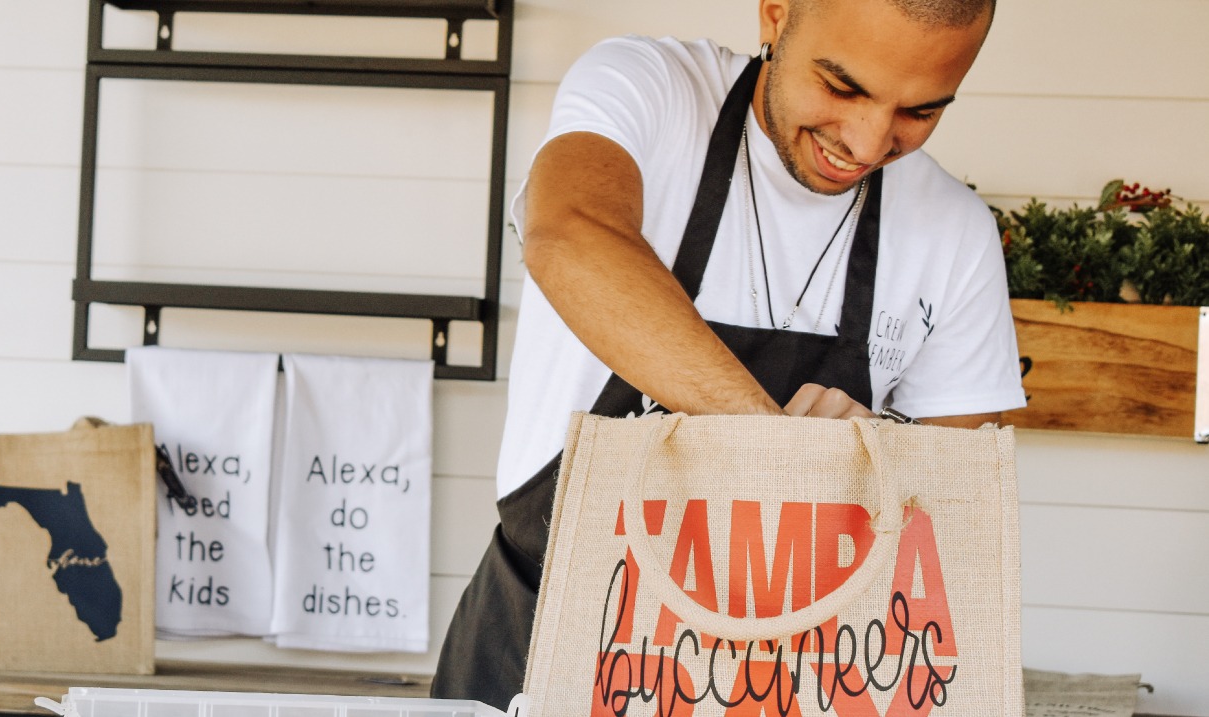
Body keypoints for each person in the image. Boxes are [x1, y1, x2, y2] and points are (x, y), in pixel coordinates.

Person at [431, 0, 1026, 708]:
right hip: (544, 630)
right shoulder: (650, 90)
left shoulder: (954, 236)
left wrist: (877, 449)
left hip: (798, 673)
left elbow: (948, 521)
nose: (867, 143)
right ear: (775, 15)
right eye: (842, 87)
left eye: (920, 112)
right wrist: (786, 455)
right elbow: (570, 237)